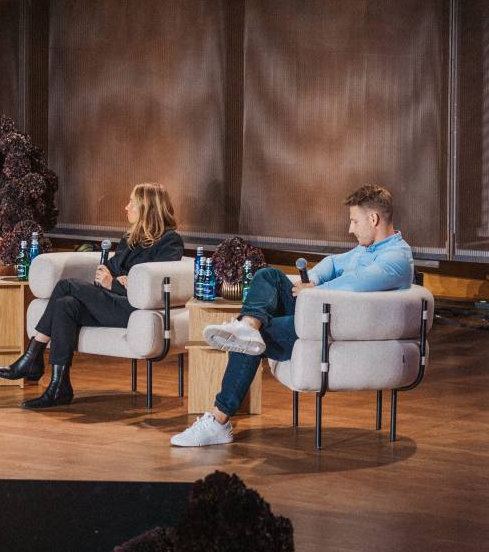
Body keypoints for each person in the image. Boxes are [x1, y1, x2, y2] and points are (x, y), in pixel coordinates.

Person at [170, 184, 413, 447]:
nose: (350, 229)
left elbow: (354, 284)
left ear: (373, 219)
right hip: (318, 313)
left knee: (251, 342)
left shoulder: (395, 258)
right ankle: (248, 323)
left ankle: (218, 421)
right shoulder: (368, 249)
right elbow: (333, 263)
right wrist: (315, 279)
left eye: (354, 221)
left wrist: (313, 289)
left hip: (333, 327)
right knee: (268, 276)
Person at [0, 183, 184, 408]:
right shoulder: (130, 239)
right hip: (112, 302)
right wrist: (117, 281)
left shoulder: (170, 241)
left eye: (131, 202)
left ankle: (32, 357)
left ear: (146, 207)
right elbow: (106, 272)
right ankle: (59, 386)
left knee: (65, 286)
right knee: (66, 304)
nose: (126, 206)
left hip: (134, 310)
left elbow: (152, 284)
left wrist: (116, 285)